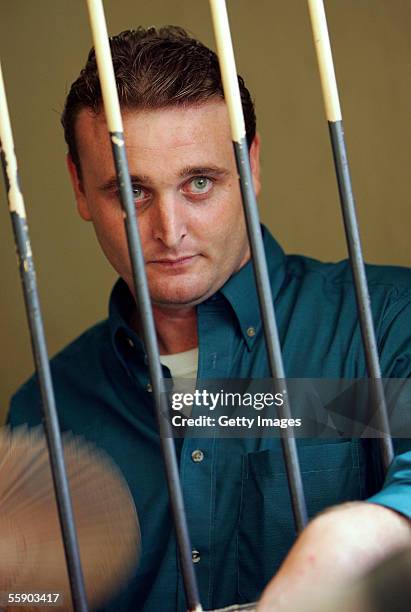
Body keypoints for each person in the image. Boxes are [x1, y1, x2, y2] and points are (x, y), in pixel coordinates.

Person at [8, 27, 411, 612]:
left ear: (250, 166)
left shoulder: (386, 323)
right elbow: (31, 596)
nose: (169, 231)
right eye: (131, 191)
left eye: (199, 183)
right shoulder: (49, 410)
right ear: (78, 187)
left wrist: (359, 535)